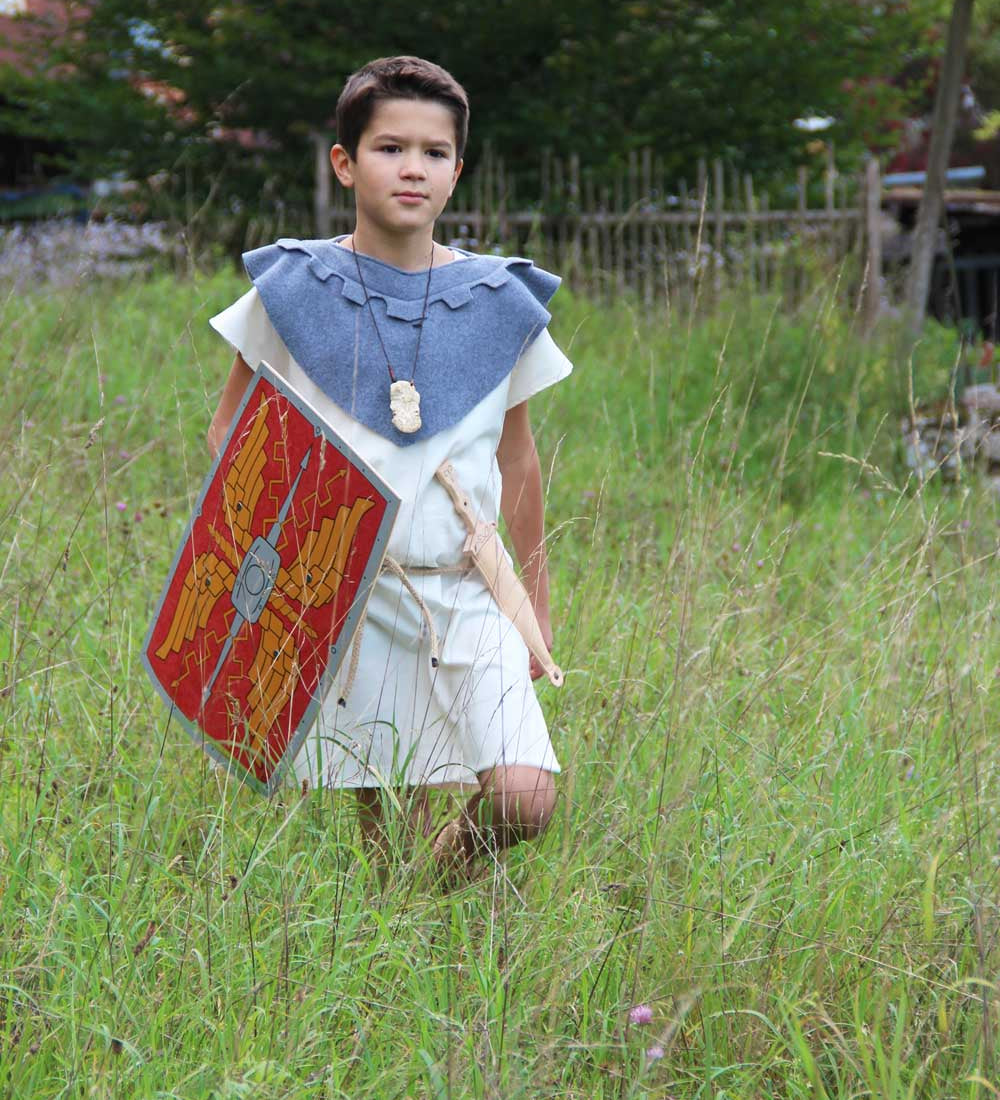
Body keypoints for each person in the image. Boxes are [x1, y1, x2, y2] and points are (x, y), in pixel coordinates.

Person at [206, 55, 572, 881]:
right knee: (388, 826)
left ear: (456, 171)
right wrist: (267, 560)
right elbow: (233, 427)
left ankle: (418, 896)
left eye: (434, 153)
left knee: (523, 794)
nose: (413, 168)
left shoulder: (501, 303)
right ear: (346, 162)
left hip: (470, 590)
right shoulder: (291, 287)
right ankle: (405, 929)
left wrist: (535, 609)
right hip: (348, 596)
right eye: (389, 148)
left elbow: (518, 458)